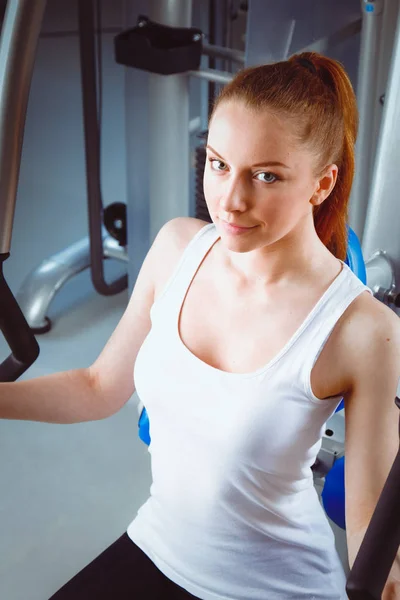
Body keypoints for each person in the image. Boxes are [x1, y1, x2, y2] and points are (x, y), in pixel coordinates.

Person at [2, 51, 400, 600]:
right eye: (217, 164)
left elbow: (369, 539)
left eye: (266, 175)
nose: (231, 201)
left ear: (322, 184)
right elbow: (98, 388)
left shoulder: (364, 330)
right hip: (158, 545)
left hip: (276, 588)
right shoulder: (175, 248)